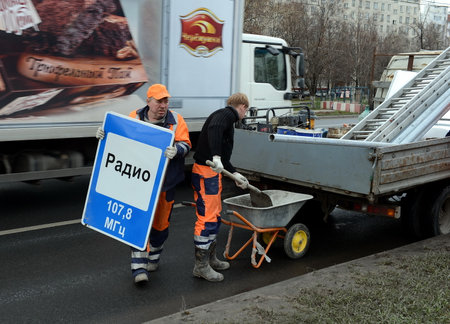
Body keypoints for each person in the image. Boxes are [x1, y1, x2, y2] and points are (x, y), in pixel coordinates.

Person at [96, 84, 191, 284]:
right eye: (159, 101)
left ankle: (153, 259)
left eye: (166, 101)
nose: (163, 105)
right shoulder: (134, 116)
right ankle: (138, 268)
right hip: (138, 183)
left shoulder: (176, 121)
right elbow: (119, 139)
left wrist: (177, 150)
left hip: (166, 183)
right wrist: (105, 136)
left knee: (160, 225)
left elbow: (186, 144)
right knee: (137, 222)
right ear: (148, 101)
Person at [191, 92, 250, 282]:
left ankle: (210, 259)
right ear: (241, 106)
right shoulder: (226, 115)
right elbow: (215, 129)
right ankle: (200, 267)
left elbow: (224, 159)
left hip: (212, 174)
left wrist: (235, 174)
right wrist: (215, 157)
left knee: (214, 217)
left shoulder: (228, 120)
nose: (245, 114)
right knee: (206, 219)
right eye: (246, 110)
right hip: (204, 172)